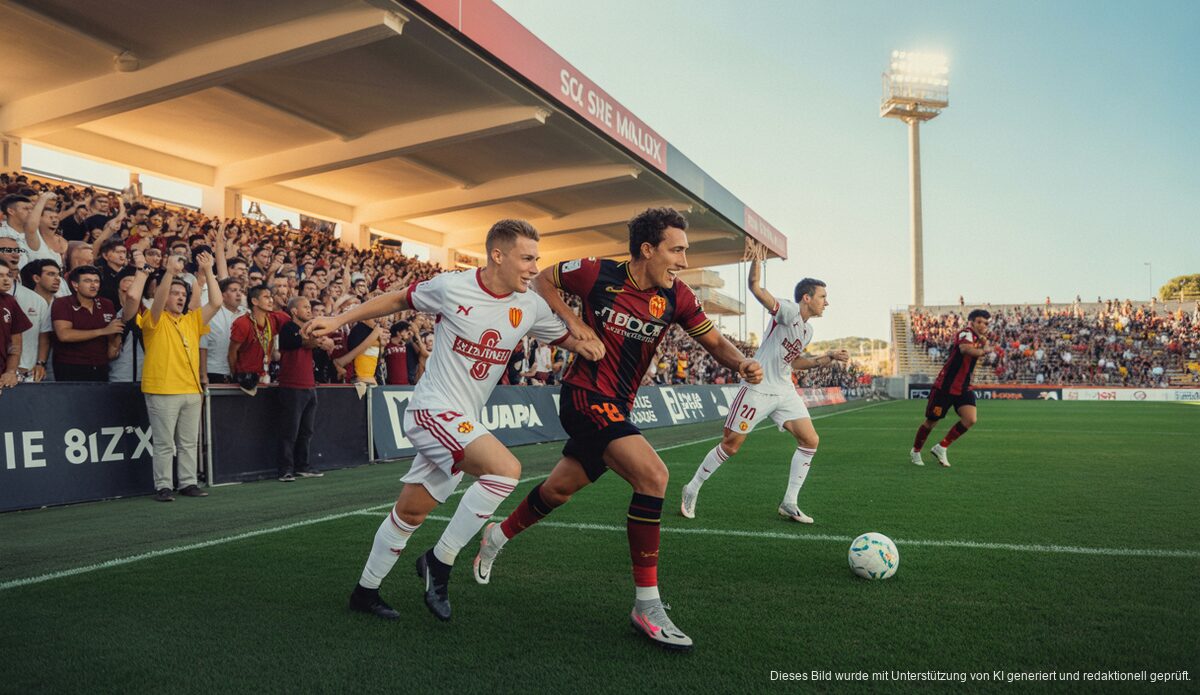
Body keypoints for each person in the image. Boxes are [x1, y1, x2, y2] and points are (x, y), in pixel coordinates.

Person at [472, 207, 763, 652]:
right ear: (648, 249)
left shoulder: (678, 296)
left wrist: (740, 362)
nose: (684, 261)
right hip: (584, 397)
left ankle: (497, 535)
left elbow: (715, 343)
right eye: (677, 250)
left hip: (618, 405)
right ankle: (647, 606)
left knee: (557, 491)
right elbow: (545, 279)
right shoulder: (596, 273)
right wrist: (574, 323)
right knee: (654, 476)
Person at [304, 219, 603, 623]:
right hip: (432, 410)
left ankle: (364, 592)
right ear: (498, 255)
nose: (535, 268)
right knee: (505, 471)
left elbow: (569, 341)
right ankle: (440, 562)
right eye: (527, 258)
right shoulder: (452, 286)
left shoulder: (529, 305)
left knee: (410, 513)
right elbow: (397, 300)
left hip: (462, 420)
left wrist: (589, 336)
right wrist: (339, 321)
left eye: (537, 259)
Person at [680, 250, 848, 525]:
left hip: (784, 390)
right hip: (757, 388)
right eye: (822, 297)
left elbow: (794, 362)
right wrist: (757, 259)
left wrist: (825, 357)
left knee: (810, 440)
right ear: (806, 298)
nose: (826, 302)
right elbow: (756, 289)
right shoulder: (789, 311)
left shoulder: (807, 330)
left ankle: (789, 503)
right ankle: (692, 488)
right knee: (731, 446)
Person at [124, 251, 222, 501]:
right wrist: (169, 272)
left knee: (189, 443)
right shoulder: (153, 319)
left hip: (191, 390)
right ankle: (163, 486)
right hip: (163, 390)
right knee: (165, 443)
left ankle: (188, 483)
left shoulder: (191, 320)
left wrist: (209, 271)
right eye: (174, 294)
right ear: (162, 296)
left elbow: (217, 303)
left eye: (182, 294)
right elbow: (155, 301)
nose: (179, 297)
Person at [910, 309, 997, 467]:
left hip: (963, 386)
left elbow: (985, 346)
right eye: (979, 322)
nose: (982, 325)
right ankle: (916, 451)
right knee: (931, 422)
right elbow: (965, 349)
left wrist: (985, 342)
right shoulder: (966, 333)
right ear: (971, 322)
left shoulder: (979, 338)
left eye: (985, 323)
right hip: (946, 386)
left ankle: (941, 447)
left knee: (970, 419)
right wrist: (984, 350)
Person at [275, 297, 333, 481]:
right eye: (305, 307)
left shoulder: (307, 330)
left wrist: (320, 340)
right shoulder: (289, 327)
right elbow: (304, 343)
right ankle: (285, 469)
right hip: (292, 386)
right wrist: (319, 340)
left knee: (306, 431)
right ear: (294, 311)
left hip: (309, 385)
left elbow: (317, 346)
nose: (310, 310)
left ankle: (302, 466)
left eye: (310, 307)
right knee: (289, 431)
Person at [51, 265, 123, 381]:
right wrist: (102, 331)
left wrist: (113, 345)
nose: (94, 285)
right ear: (75, 285)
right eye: (87, 281)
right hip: (71, 367)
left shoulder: (107, 304)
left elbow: (112, 333)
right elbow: (64, 335)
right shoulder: (62, 303)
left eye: (96, 281)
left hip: (101, 366)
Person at [199, 278, 246, 384]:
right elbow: (202, 346)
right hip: (214, 371)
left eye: (240, 291)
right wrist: (203, 375)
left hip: (242, 373)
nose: (239, 294)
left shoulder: (247, 314)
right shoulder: (211, 315)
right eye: (233, 291)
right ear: (223, 295)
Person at [0, 262, 33, 394]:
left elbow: (15, 342)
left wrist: (10, 371)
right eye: (0, 275)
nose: (6, 279)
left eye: (8, 275)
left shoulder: (10, 301)